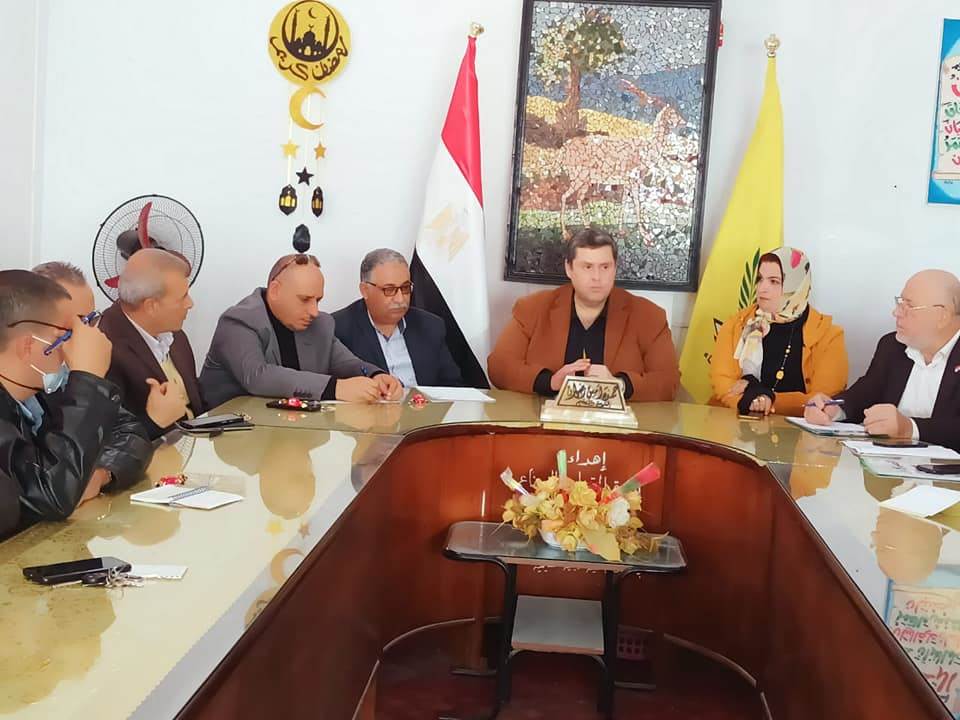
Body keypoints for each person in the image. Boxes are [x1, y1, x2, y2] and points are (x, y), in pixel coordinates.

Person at [0, 270, 152, 536]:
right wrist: (89, 379)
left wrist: (99, 474)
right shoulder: (71, 382)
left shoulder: (45, 385)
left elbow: (129, 430)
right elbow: (51, 496)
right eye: (70, 334)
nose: (79, 346)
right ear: (28, 346)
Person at [488, 228, 679, 400]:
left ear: (615, 268)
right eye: (587, 267)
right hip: (545, 422)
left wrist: (619, 385)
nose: (597, 277)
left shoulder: (649, 316)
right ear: (569, 268)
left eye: (605, 267)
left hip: (618, 425)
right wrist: (550, 381)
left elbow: (669, 381)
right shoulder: (533, 308)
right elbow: (499, 367)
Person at [200, 253, 403, 407]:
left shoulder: (320, 324)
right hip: (233, 435)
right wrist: (336, 388)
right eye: (305, 299)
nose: (314, 311)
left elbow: (348, 363)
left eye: (318, 300)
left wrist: (375, 376)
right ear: (275, 290)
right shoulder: (238, 321)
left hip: (292, 432)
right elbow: (258, 377)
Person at [36, 257, 196, 438]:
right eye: (79, 322)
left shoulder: (176, 337)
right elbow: (82, 450)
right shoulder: (107, 353)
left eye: (91, 319)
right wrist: (154, 421)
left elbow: (106, 436)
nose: (92, 332)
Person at [805, 270, 960, 446]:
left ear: (941, 316)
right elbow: (866, 393)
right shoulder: (892, 346)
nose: (896, 313)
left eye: (908, 306)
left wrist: (910, 428)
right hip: (887, 460)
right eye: (899, 303)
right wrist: (834, 408)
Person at [710, 247, 848, 416]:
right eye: (760, 279)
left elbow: (824, 400)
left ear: (797, 285)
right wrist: (752, 401)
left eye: (774, 281)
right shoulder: (736, 325)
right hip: (735, 424)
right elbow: (723, 383)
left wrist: (767, 400)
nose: (762, 288)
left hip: (797, 430)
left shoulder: (828, 335)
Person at [333, 248, 463, 387]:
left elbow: (453, 387)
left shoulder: (430, 326)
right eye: (389, 290)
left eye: (405, 288)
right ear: (365, 290)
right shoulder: (338, 329)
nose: (400, 299)